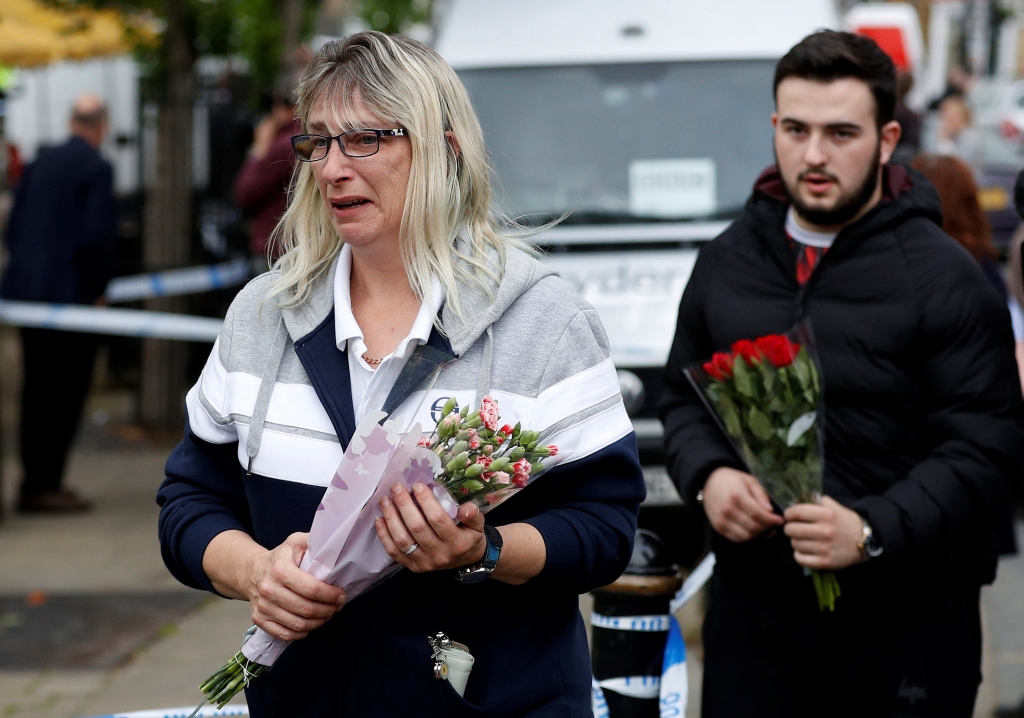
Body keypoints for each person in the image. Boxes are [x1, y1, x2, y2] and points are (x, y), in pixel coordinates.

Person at [158, 32, 644, 717]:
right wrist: (256, 573)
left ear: (445, 150)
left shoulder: (544, 320)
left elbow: (604, 530)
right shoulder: (261, 318)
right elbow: (189, 502)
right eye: (318, 142)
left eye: (366, 139)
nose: (331, 169)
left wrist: (484, 550)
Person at [660, 31, 1024, 717]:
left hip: (907, 631)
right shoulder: (727, 261)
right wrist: (708, 476)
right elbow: (682, 400)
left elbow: (986, 448)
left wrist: (871, 530)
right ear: (774, 126)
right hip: (755, 629)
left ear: (888, 140)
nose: (815, 154)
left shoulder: (945, 278)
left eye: (841, 132)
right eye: (796, 129)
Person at [1, 95, 116, 514]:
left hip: (28, 297)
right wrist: (97, 288)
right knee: (64, 394)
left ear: (72, 121)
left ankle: (33, 479)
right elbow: (95, 237)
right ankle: (46, 483)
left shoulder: (37, 163)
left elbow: (14, 229)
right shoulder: (96, 168)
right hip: (71, 302)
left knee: (36, 391)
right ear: (100, 125)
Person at [233, 87, 300, 261]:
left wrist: (260, 148)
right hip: (297, 243)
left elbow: (245, 193)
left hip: (276, 246)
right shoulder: (308, 139)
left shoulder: (286, 145)